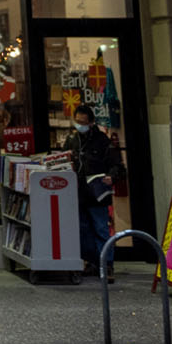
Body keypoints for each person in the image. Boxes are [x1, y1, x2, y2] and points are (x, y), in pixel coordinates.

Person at [63, 103, 125, 279]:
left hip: (98, 194)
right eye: (77, 121)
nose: (79, 125)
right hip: (79, 193)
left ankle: (107, 265)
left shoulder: (102, 141)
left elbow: (117, 166)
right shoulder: (72, 140)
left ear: (91, 122)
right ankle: (91, 262)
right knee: (83, 230)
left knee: (100, 229)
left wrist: (111, 176)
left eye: (83, 122)